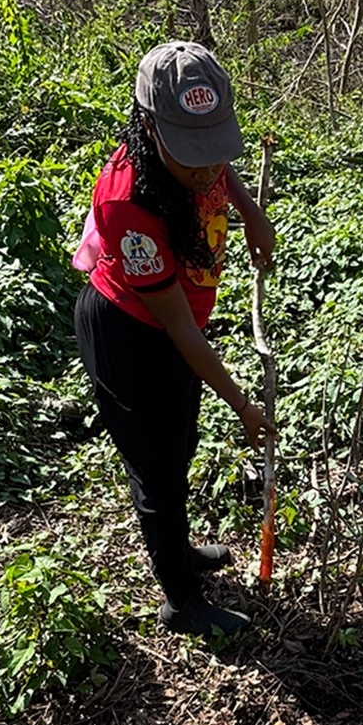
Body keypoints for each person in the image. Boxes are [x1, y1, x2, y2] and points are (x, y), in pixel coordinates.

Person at [72, 41, 276, 636]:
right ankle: (181, 600)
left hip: (179, 326)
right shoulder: (128, 201)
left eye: (214, 147)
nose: (207, 168)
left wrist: (250, 211)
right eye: (192, 156)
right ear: (149, 126)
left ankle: (180, 552)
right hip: (131, 333)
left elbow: (218, 162)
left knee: (179, 442)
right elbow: (178, 329)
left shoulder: (200, 152)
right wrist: (241, 403)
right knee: (156, 467)